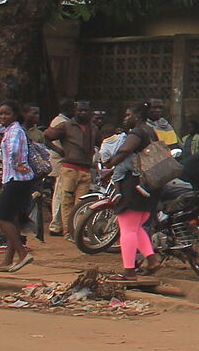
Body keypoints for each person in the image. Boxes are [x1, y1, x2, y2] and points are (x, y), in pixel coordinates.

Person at [100, 103, 163, 282]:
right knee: (136, 227)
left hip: (133, 185)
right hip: (149, 184)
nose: (125, 118)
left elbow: (126, 149)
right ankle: (151, 260)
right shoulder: (151, 131)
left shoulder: (137, 133)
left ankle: (129, 271)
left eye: (128, 115)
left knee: (126, 228)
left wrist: (110, 164)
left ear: (138, 116)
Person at [0, 101, 39, 273]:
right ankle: (8, 260)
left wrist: (15, 165)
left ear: (15, 115)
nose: (3, 117)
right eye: (0, 114)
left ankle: (23, 254)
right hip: (18, 179)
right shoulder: (9, 130)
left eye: (7, 114)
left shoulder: (15, 131)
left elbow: (15, 153)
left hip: (17, 179)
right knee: (13, 219)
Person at [45, 99, 96, 238]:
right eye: (80, 110)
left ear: (90, 112)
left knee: (81, 203)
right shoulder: (66, 126)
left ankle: (77, 231)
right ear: (75, 111)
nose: (82, 113)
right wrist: (59, 151)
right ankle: (69, 231)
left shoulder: (93, 128)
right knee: (66, 201)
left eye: (85, 110)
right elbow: (47, 136)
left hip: (85, 170)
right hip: (69, 169)